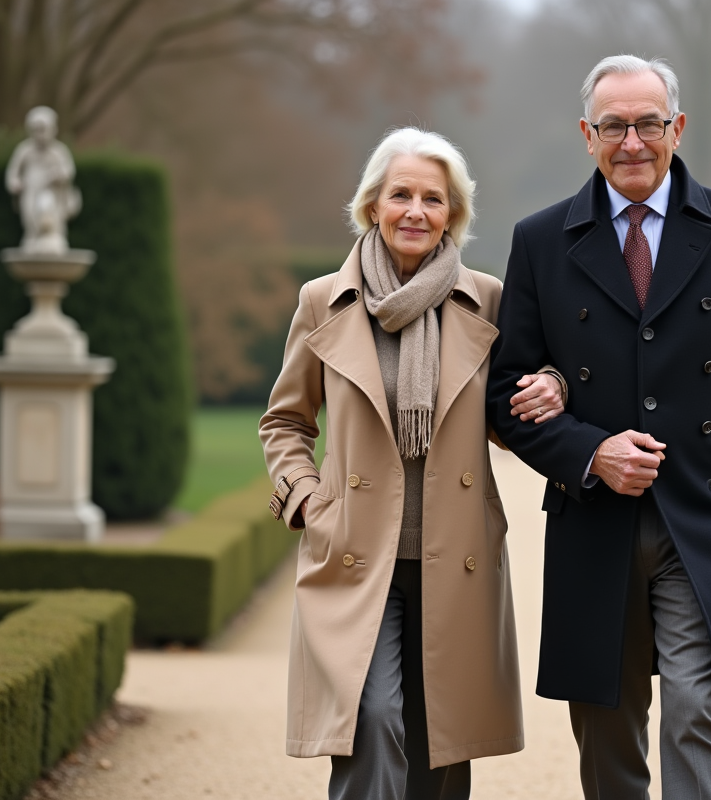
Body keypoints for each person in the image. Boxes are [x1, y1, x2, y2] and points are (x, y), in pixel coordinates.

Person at [486, 55, 711, 800]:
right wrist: (591, 451)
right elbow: (505, 394)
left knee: (699, 710)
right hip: (594, 520)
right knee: (606, 729)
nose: (632, 142)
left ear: (678, 127)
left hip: (709, 515)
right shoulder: (541, 240)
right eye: (614, 126)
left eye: (648, 124)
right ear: (587, 135)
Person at [259, 127, 565, 800]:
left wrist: (551, 386)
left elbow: (512, 413)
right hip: (355, 553)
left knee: (440, 743)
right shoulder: (322, 301)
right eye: (401, 195)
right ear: (373, 204)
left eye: (434, 198)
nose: (416, 212)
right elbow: (285, 421)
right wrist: (306, 496)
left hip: (456, 554)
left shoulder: (488, 299)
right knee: (370, 719)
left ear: (452, 213)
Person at [5, 106, 82, 254]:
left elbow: (69, 171)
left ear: (53, 129)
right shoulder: (24, 150)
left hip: (51, 191)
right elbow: (12, 172)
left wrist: (59, 176)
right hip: (31, 190)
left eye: (43, 129)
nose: (40, 135)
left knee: (52, 218)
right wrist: (14, 183)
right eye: (36, 130)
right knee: (30, 216)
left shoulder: (59, 151)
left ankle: (54, 238)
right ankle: (32, 238)